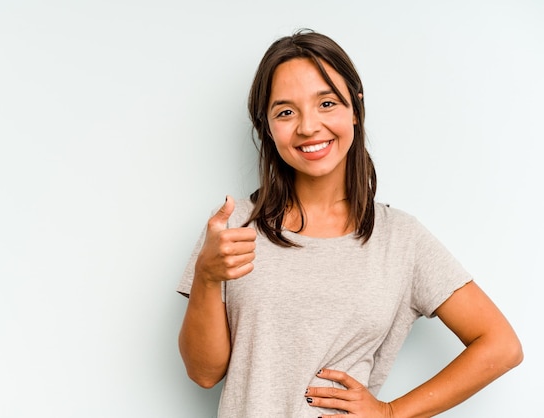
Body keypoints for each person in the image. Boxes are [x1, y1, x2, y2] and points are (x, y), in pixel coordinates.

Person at [176, 29, 523, 417]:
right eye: (286, 111)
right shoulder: (233, 228)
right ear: (267, 127)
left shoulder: (401, 239)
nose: (308, 126)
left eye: (326, 103)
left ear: (355, 108)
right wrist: (207, 276)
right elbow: (204, 373)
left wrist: (392, 413)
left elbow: (501, 345)